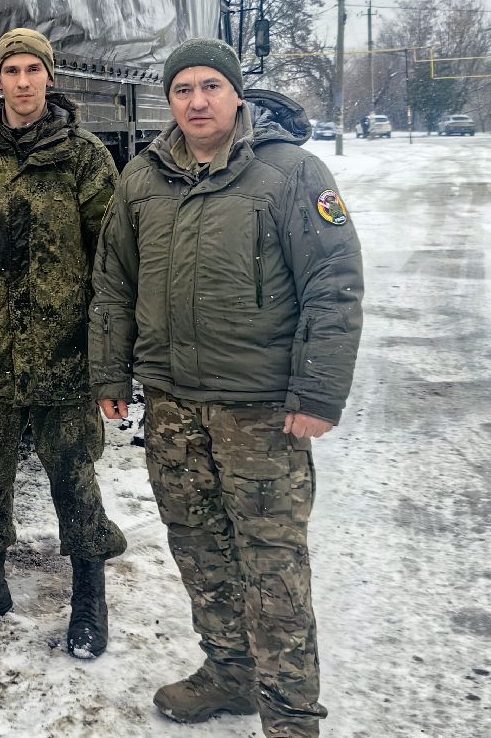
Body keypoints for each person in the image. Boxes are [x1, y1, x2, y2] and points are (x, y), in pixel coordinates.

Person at [89, 39, 363, 737]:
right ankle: (230, 672)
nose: (197, 101)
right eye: (183, 89)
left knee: (272, 565)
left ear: (236, 93)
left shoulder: (291, 173)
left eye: (211, 85)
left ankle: (291, 717)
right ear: (169, 100)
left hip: (260, 412)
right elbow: (114, 283)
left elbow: (333, 285)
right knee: (199, 547)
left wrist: (317, 393)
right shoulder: (142, 179)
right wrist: (111, 372)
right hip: (173, 404)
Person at [0, 28, 126, 657]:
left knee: (74, 476)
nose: (23, 81)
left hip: (65, 354)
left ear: (50, 78)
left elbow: (112, 261)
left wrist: (108, 351)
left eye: (34, 69)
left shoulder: (85, 158)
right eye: (12, 70)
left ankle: (88, 597)